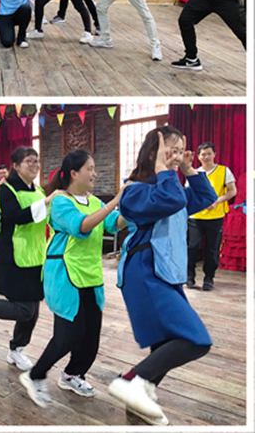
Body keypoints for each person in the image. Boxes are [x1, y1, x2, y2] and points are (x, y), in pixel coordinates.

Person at [107, 128, 217, 426]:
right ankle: (131, 381)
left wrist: (188, 170)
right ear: (153, 152)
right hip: (145, 271)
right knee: (195, 339)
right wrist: (163, 168)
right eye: (172, 149)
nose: (178, 156)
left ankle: (138, 402)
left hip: (165, 273)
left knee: (165, 342)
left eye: (181, 150)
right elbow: (168, 200)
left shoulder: (172, 188)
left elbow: (207, 197)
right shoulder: (134, 191)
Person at [19, 149, 126, 409]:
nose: (94, 174)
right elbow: (81, 226)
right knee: (69, 334)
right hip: (66, 274)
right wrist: (116, 200)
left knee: (91, 335)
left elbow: (115, 224)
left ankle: (72, 375)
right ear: (74, 173)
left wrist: (134, 206)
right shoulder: (60, 201)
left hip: (91, 274)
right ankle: (35, 375)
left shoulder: (95, 202)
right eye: (90, 168)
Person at [0, 148, 55, 371]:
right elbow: (16, 217)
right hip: (13, 255)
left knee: (33, 310)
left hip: (36, 254)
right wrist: (47, 201)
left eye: (37, 161)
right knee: (25, 310)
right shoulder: (6, 189)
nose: (34, 165)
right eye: (29, 161)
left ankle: (16, 349)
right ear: (16, 165)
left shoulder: (38, 190)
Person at [187, 142, 237, 290]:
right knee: (192, 247)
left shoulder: (224, 171)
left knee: (212, 249)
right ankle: (189, 276)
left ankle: (209, 278)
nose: (206, 157)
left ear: (214, 154)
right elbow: (188, 193)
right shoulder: (193, 173)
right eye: (203, 154)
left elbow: (232, 191)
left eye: (209, 153)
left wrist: (217, 201)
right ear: (198, 156)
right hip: (195, 217)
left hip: (215, 217)